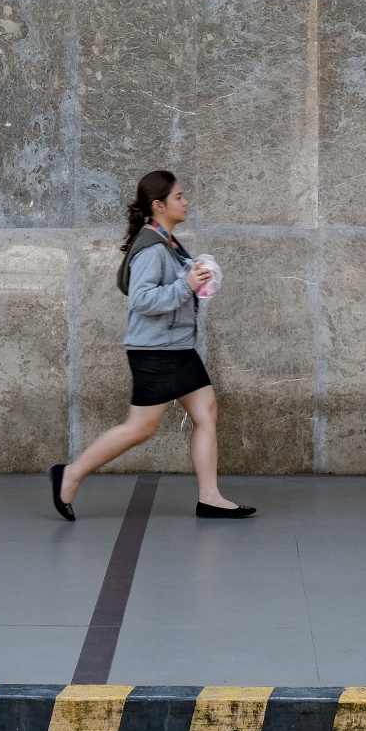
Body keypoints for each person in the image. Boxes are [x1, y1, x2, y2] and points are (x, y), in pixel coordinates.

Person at [49, 170, 255, 521]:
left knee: (206, 414)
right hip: (155, 351)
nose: (185, 201)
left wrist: (197, 272)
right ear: (159, 206)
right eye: (178, 197)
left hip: (176, 348)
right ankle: (69, 473)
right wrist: (187, 285)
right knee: (140, 427)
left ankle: (210, 497)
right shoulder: (152, 246)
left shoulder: (167, 241)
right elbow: (142, 299)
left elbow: (173, 284)